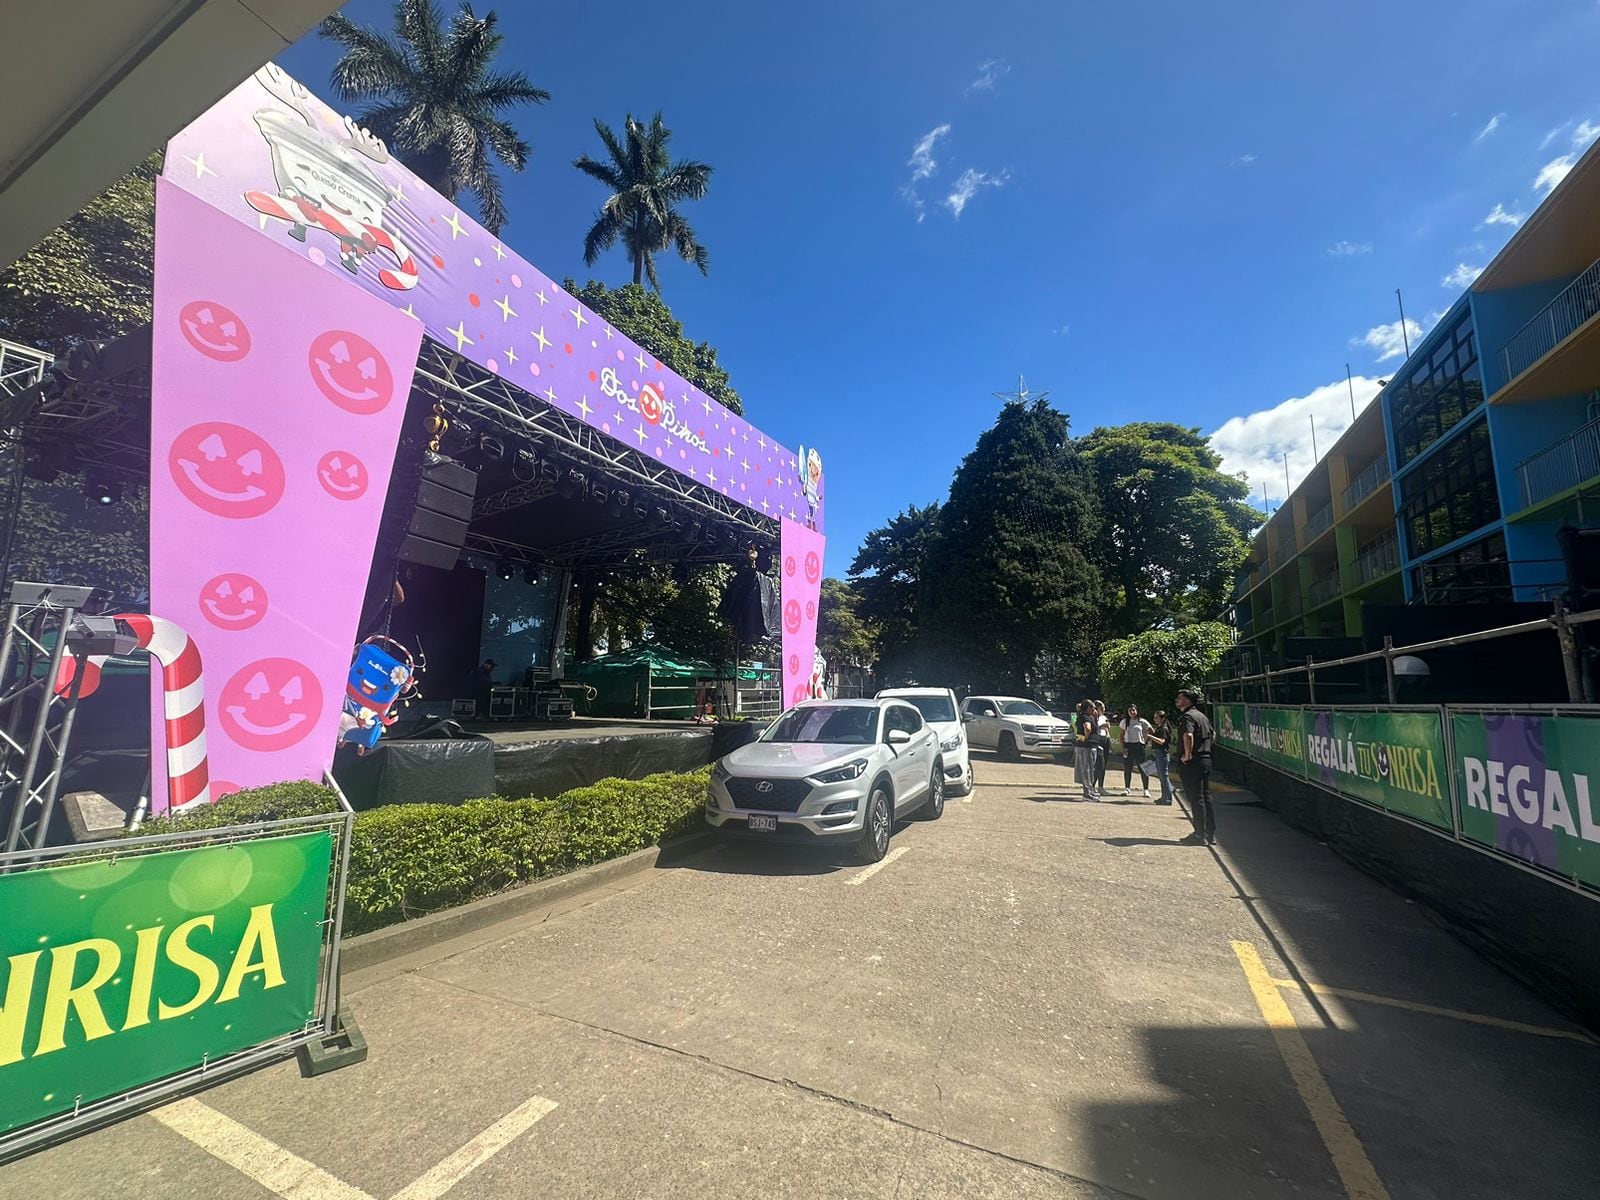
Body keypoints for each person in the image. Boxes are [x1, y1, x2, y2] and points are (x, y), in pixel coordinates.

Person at [1175, 689, 1216, 845]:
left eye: (1180, 698)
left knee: (1196, 798)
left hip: (1193, 762)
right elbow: (1213, 735)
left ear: (1188, 701)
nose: (1177, 700)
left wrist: (1187, 754)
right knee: (1206, 797)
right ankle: (1210, 833)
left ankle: (1200, 834)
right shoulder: (1202, 716)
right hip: (1205, 758)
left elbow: (1188, 735)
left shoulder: (1188, 716)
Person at [1120, 704, 1153, 798]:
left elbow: (1151, 731)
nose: (1132, 712)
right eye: (1130, 710)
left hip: (1139, 746)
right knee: (1127, 768)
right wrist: (1123, 748)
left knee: (1144, 768)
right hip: (1128, 746)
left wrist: (1146, 742)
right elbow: (1121, 735)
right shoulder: (1124, 721)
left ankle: (1146, 790)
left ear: (1137, 711)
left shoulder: (1142, 721)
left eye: (1133, 710)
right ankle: (1127, 788)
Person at [1072, 700, 1100, 801]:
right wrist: (1087, 737)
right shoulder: (1085, 717)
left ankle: (1090, 791)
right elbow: (1087, 728)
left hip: (1087, 746)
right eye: (1092, 707)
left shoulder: (1088, 717)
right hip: (1086, 747)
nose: (1094, 709)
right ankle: (1087, 794)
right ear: (1087, 708)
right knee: (1087, 770)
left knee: (1089, 769)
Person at [1147, 710, 1176, 805]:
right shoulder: (1160, 728)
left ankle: (1168, 798)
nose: (1155, 719)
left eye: (1157, 717)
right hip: (1159, 753)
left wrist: (1151, 736)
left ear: (1162, 719)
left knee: (1164, 777)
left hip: (1162, 754)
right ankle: (1164, 797)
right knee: (1161, 777)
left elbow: (1162, 741)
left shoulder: (1164, 728)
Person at [1092, 701, 1114, 795]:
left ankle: (1101, 786)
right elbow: (1094, 728)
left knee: (1104, 764)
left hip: (1105, 738)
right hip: (1098, 738)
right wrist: (1102, 726)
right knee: (1098, 764)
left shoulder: (1104, 717)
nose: (1103, 710)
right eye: (1102, 708)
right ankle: (1092, 785)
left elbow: (1107, 727)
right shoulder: (1093, 717)